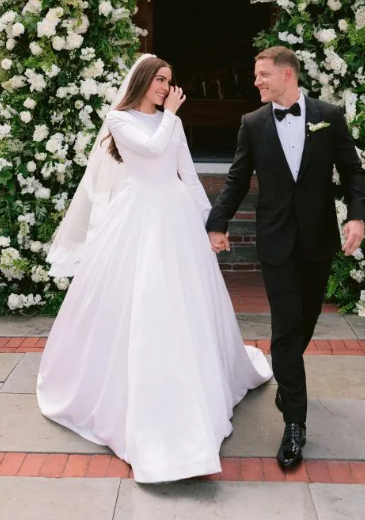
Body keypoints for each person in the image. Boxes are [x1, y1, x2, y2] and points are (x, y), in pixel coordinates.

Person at [37, 54, 271, 484]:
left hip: (176, 217)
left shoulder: (172, 123)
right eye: (159, 80)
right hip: (136, 218)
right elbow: (149, 149)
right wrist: (173, 116)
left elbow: (188, 174)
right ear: (143, 81)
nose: (166, 87)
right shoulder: (120, 119)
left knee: (185, 303)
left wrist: (211, 225)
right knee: (141, 299)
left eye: (169, 81)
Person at [206, 46, 365, 470]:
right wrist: (216, 222)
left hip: (317, 239)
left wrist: (356, 218)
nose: (256, 81)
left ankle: (286, 377)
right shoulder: (253, 123)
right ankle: (295, 423)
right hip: (276, 241)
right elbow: (238, 177)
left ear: (288, 75)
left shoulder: (328, 116)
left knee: (306, 318)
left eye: (263, 75)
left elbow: (353, 172)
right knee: (283, 327)